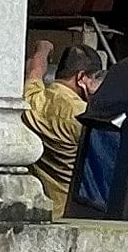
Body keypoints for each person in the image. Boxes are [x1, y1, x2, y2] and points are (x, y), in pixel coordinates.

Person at [22, 42, 106, 215]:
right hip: (72, 213)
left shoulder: (33, 99)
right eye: (96, 78)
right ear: (81, 77)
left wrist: (44, 48)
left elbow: (34, 70)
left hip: (39, 210)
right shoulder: (83, 115)